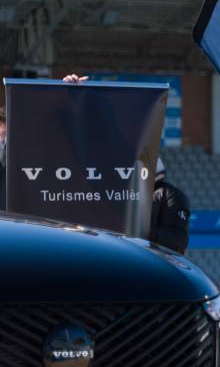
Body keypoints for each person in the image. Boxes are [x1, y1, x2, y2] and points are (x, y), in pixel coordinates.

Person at [61, 74, 190, 253]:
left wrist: (126, 230)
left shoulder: (168, 195)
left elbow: (176, 242)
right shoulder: (90, 187)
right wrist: (71, 94)